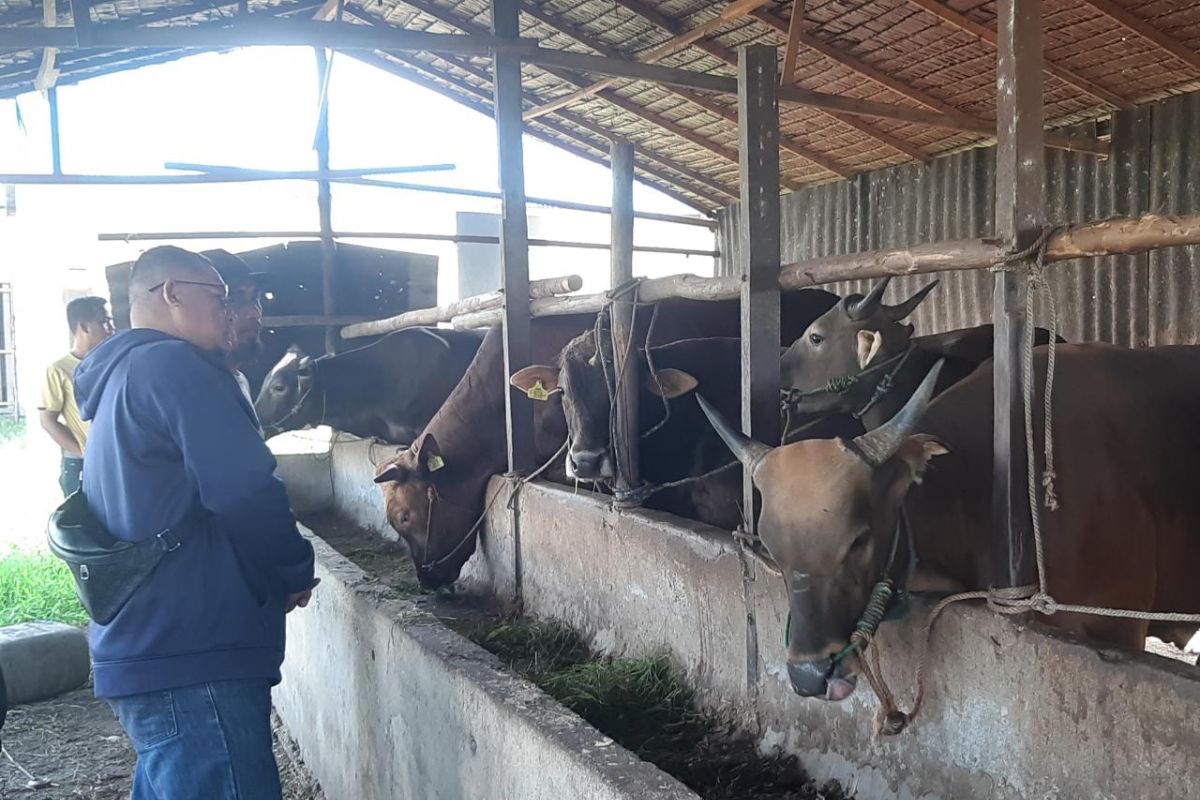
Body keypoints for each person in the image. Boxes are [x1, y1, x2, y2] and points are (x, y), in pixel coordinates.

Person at [74, 245, 317, 800]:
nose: (231, 311)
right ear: (173, 294)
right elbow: (245, 486)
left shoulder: (121, 374)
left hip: (153, 645)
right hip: (193, 652)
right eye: (220, 297)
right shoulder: (177, 365)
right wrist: (292, 569)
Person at [38, 295, 114, 495]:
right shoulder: (58, 370)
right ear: (84, 327)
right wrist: (83, 452)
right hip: (81, 466)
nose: (111, 328)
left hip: (115, 460)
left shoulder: (114, 362)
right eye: (104, 322)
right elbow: (48, 421)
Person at [201, 249, 267, 406]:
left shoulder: (239, 381)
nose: (255, 312)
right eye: (234, 299)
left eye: (255, 298)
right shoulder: (187, 388)